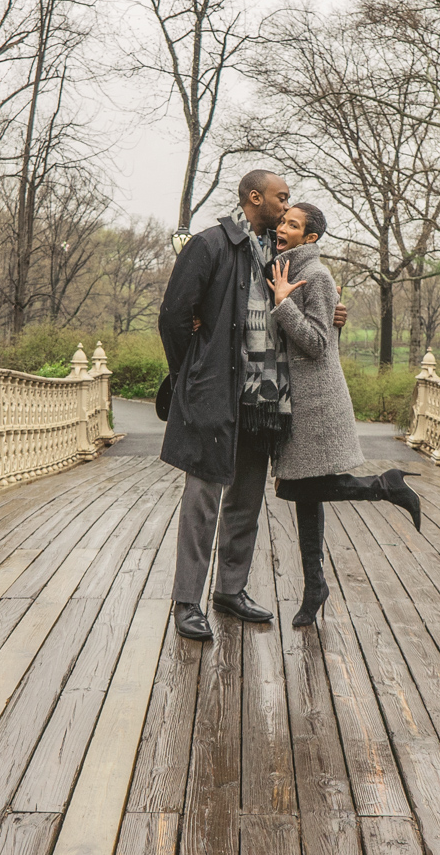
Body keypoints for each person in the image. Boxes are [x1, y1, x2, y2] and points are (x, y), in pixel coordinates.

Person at [156, 170, 344, 642]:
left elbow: (304, 313)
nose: (286, 206)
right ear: (255, 198)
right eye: (282, 198)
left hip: (264, 402)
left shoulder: (277, 255)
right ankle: (187, 602)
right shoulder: (211, 244)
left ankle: (230, 591)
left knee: (245, 501)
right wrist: (189, 378)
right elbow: (173, 317)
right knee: (202, 502)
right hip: (215, 396)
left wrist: (336, 313)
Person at [267, 203, 421, 626]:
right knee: (305, 491)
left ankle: (385, 486)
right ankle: (314, 586)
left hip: (315, 401)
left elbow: (317, 343)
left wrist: (283, 303)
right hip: (296, 398)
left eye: (292, 224)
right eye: (282, 221)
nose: (282, 227)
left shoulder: (315, 275)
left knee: (297, 487)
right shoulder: (283, 267)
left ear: (310, 238)